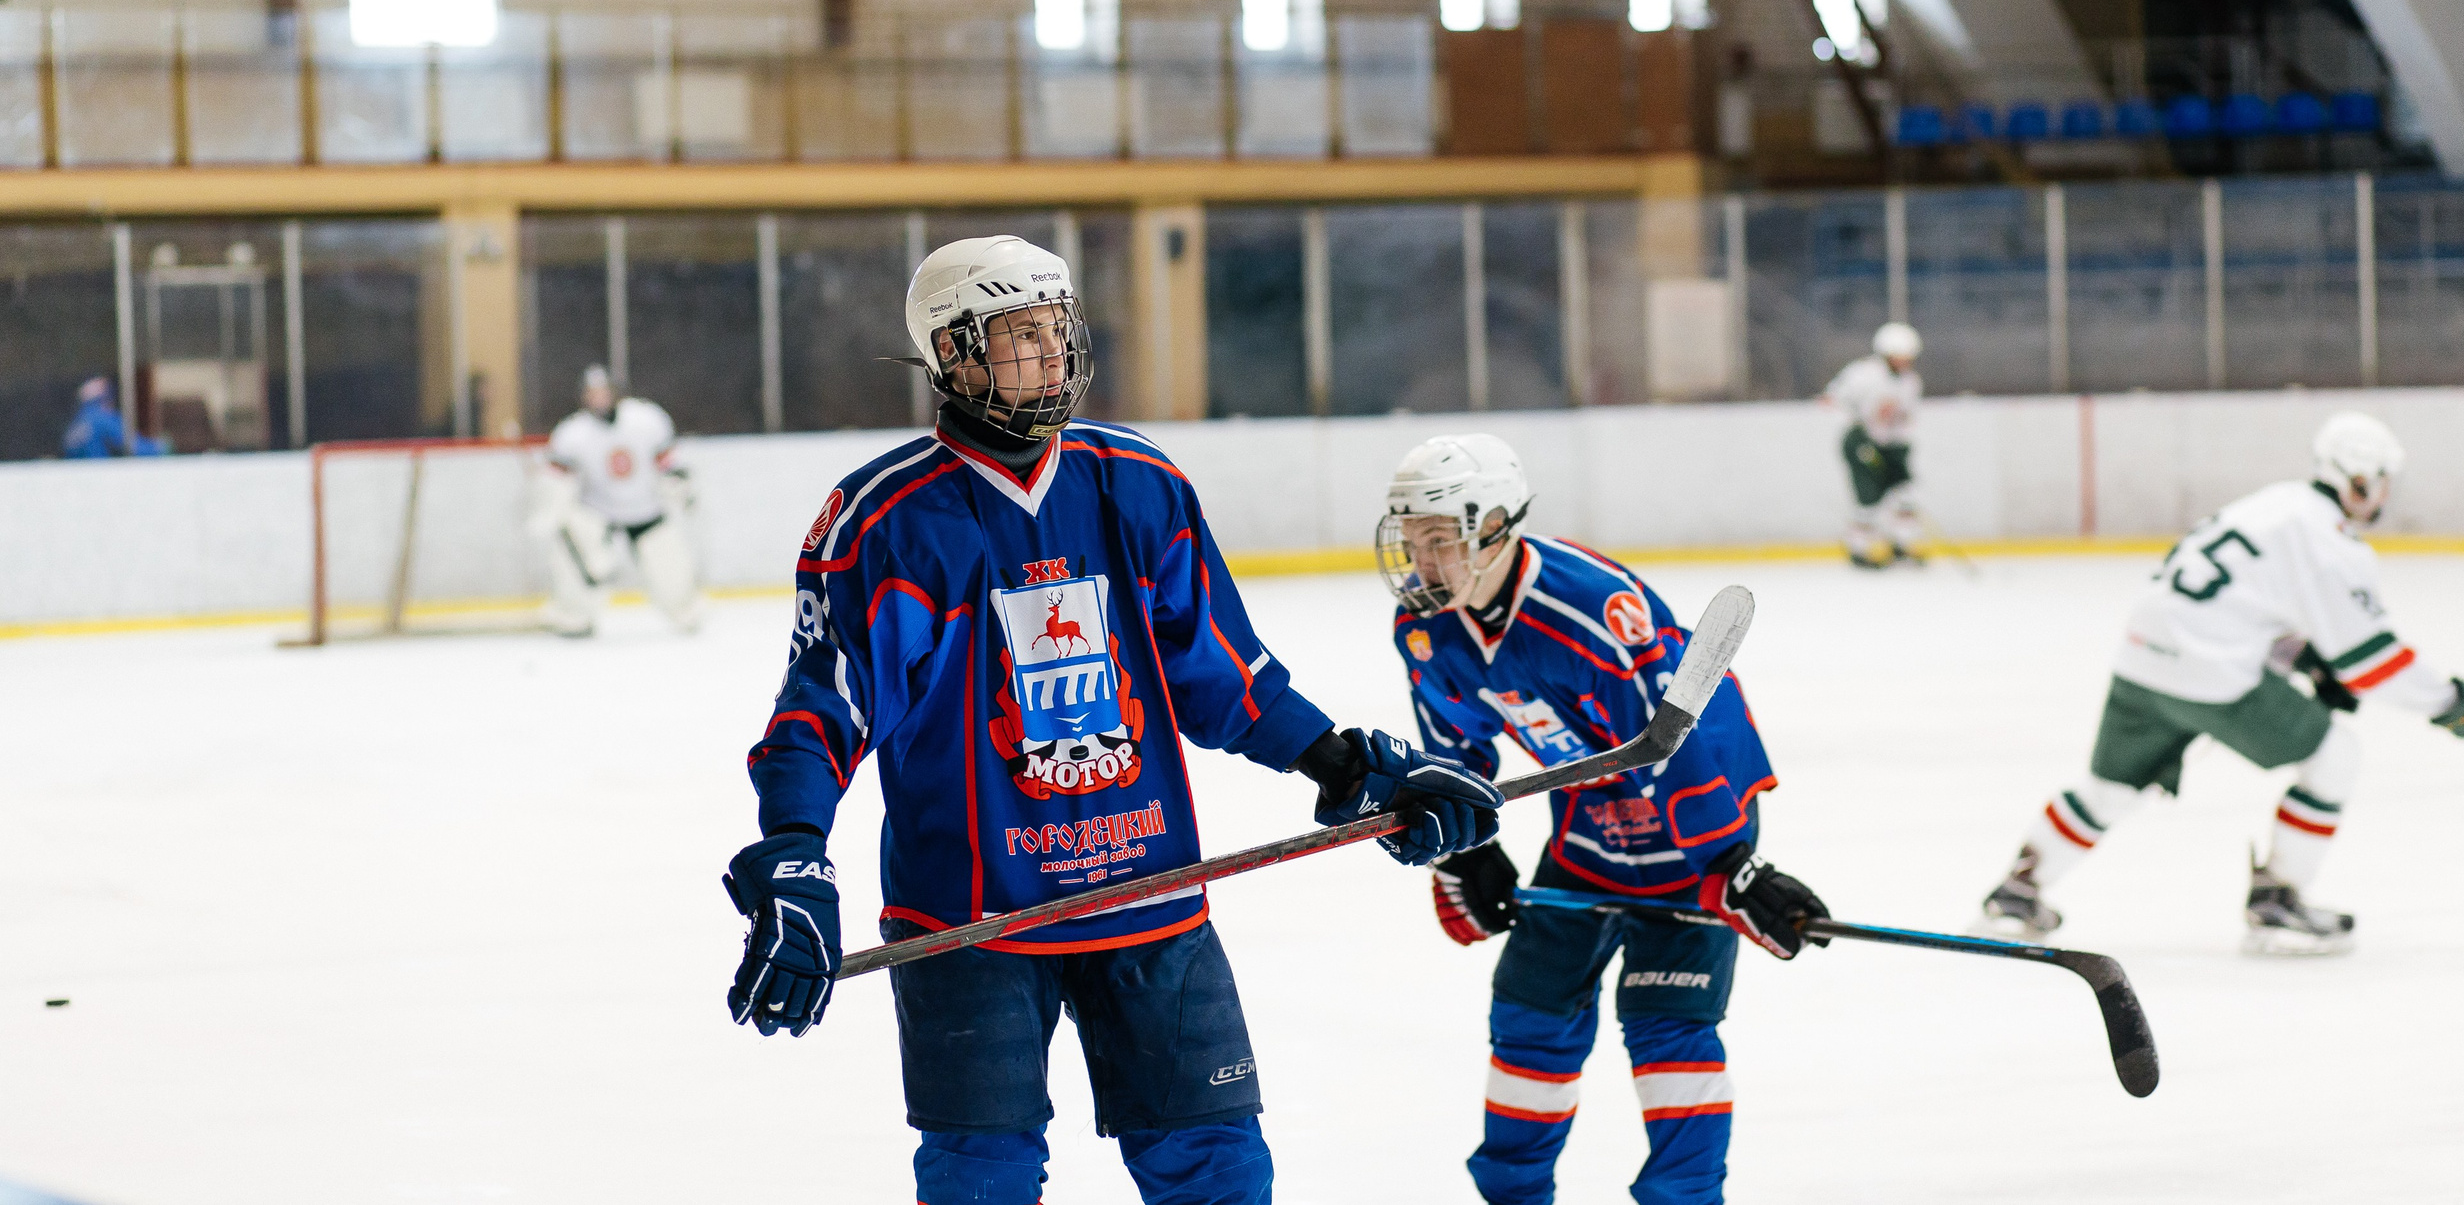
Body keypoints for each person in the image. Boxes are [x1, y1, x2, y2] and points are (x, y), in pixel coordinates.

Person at [725, 235, 1504, 1205]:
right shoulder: (888, 520)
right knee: (981, 1180)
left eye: (1058, 330)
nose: (1051, 354)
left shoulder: (1137, 482)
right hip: (972, 918)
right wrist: (793, 855)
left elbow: (1224, 676)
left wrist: (1342, 764)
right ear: (955, 354)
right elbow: (823, 709)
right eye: (1020, 336)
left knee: (1219, 1167)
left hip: (1149, 893)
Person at [1377, 432, 1830, 1205]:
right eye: (1412, 541)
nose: (1422, 562)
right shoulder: (1430, 630)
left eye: (1440, 541)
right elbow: (1457, 755)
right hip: (1591, 822)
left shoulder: (1589, 609)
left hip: (1700, 817)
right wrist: (1463, 849)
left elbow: (1677, 738)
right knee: (1530, 1011)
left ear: (1493, 527)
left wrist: (1729, 865)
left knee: (1667, 1024)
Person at [1982, 412, 2464, 954]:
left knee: (2110, 791)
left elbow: (2242, 602)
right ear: (2360, 480)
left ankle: (2017, 893)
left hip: (2142, 657)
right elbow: (2371, 663)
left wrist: (2306, 657)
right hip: (2212, 674)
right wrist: (2453, 704)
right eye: (2381, 482)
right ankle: (2278, 899)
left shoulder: (2277, 503)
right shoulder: (2329, 542)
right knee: (2335, 756)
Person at [532, 365, 701, 637]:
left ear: (615, 392)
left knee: (671, 572)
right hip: (598, 512)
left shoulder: (646, 419)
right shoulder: (572, 432)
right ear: (583, 397)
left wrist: (680, 486)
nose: (599, 398)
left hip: (645, 511)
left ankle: (685, 611)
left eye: (603, 392)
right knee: (572, 556)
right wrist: (548, 503)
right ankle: (574, 615)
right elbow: (557, 479)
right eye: (592, 393)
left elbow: (669, 462)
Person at [1824, 323, 1924, 568]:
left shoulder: (1910, 382)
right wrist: (1856, 429)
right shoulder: (1862, 374)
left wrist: (1901, 448)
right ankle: (1858, 548)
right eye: (1900, 356)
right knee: (1868, 496)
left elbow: (1904, 419)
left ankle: (1902, 544)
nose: (1904, 361)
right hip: (1860, 441)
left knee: (1905, 492)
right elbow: (1833, 399)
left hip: (1890, 444)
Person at [61, 377, 141, 459]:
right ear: (106, 399)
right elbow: (136, 447)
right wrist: (154, 447)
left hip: (78, 471)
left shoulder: (76, 423)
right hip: (98, 470)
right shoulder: (101, 419)